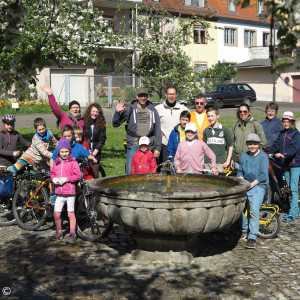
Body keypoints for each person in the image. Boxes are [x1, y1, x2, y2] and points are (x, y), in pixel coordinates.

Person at [113, 87, 161, 174]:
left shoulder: (153, 111)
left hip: (148, 145)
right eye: (140, 96)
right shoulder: (130, 110)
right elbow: (115, 124)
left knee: (150, 172)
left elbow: (158, 129)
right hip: (134, 144)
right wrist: (117, 112)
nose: (143, 98)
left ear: (147, 96)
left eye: (145, 96)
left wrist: (158, 148)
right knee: (130, 172)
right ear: (137, 96)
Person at [237, 133, 269, 249]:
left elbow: (263, 175)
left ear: (259, 145)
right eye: (250, 144)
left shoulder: (263, 156)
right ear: (247, 145)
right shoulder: (244, 156)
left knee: (254, 211)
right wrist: (241, 179)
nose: (252, 146)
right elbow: (240, 171)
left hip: (258, 185)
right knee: (238, 208)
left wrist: (251, 185)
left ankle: (252, 236)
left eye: (255, 144)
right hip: (246, 184)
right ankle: (245, 229)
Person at [267, 111, 300, 223]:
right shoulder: (282, 133)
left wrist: (283, 155)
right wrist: (266, 150)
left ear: (292, 122)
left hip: (295, 165)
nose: (286, 124)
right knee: (289, 189)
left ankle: (293, 213)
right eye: (284, 122)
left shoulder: (296, 134)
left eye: (288, 122)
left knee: (294, 189)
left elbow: (294, 149)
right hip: (285, 165)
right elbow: (276, 145)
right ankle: (293, 209)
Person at [50, 139, 82, 243]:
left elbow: (78, 175)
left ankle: (72, 233)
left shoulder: (73, 162)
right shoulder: (56, 162)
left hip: (70, 193)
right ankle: (59, 231)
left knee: (70, 214)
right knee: (56, 213)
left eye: (66, 151)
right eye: (62, 151)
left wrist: (67, 179)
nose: (64, 154)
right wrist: (53, 179)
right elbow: (52, 173)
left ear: (69, 151)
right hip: (59, 193)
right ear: (58, 151)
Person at [156, 85, 190, 164]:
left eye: (173, 94)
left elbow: (190, 123)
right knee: (165, 168)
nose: (171, 96)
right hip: (164, 143)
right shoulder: (158, 109)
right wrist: (157, 132)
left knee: (180, 167)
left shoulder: (183, 109)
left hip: (179, 143)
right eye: (169, 94)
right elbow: (152, 124)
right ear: (166, 95)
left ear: (176, 95)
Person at [231, 104, 268, 170]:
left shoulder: (256, 125)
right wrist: (232, 159)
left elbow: (263, 142)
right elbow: (231, 143)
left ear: (249, 112)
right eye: (240, 112)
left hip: (252, 161)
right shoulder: (235, 125)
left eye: (245, 111)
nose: (242, 114)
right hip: (238, 161)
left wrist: (255, 155)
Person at [261, 102, 283, 201]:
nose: (270, 113)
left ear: (275, 112)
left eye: (272, 111)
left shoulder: (280, 123)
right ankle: (269, 200)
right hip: (264, 154)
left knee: (277, 177)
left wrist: (273, 149)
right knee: (267, 178)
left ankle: (281, 198)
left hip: (276, 154)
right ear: (266, 111)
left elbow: (281, 139)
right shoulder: (261, 124)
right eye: (269, 111)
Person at [203, 107, 233, 174]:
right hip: (207, 163)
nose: (210, 118)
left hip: (219, 163)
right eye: (208, 116)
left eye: (212, 116)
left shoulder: (224, 130)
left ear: (218, 116)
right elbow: (203, 147)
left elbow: (230, 145)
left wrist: (228, 161)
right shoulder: (206, 131)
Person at [83, 103, 106, 178]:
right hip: (85, 150)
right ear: (89, 111)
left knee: (94, 174)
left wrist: (94, 153)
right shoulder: (84, 122)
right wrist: (88, 151)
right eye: (93, 111)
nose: (94, 113)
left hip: (96, 151)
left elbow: (102, 140)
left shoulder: (101, 124)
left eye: (96, 112)